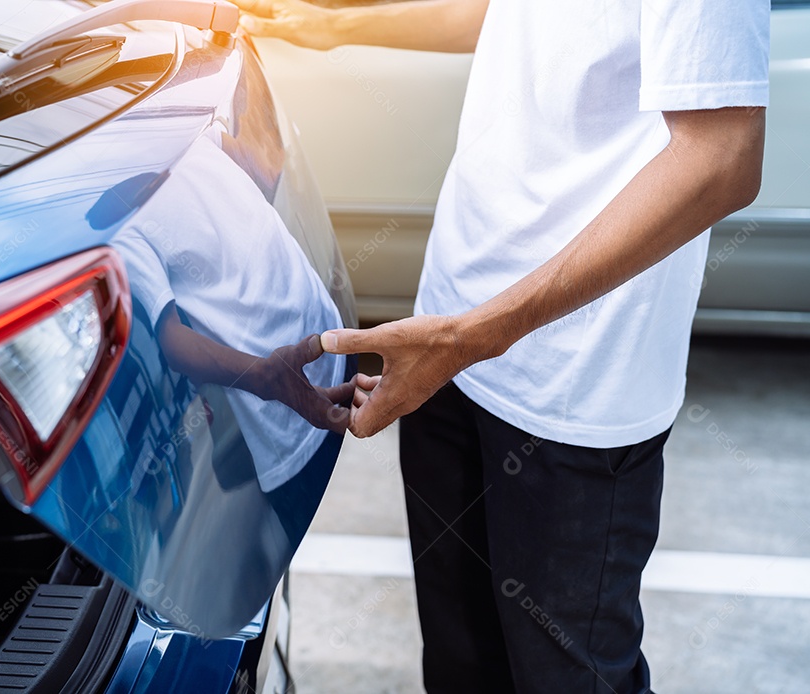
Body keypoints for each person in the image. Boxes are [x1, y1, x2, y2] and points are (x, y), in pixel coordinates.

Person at [235, 0, 769, 692]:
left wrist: (470, 338)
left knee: (565, 678)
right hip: (447, 343)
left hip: (572, 394)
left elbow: (723, 157)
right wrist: (330, 26)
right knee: (461, 671)